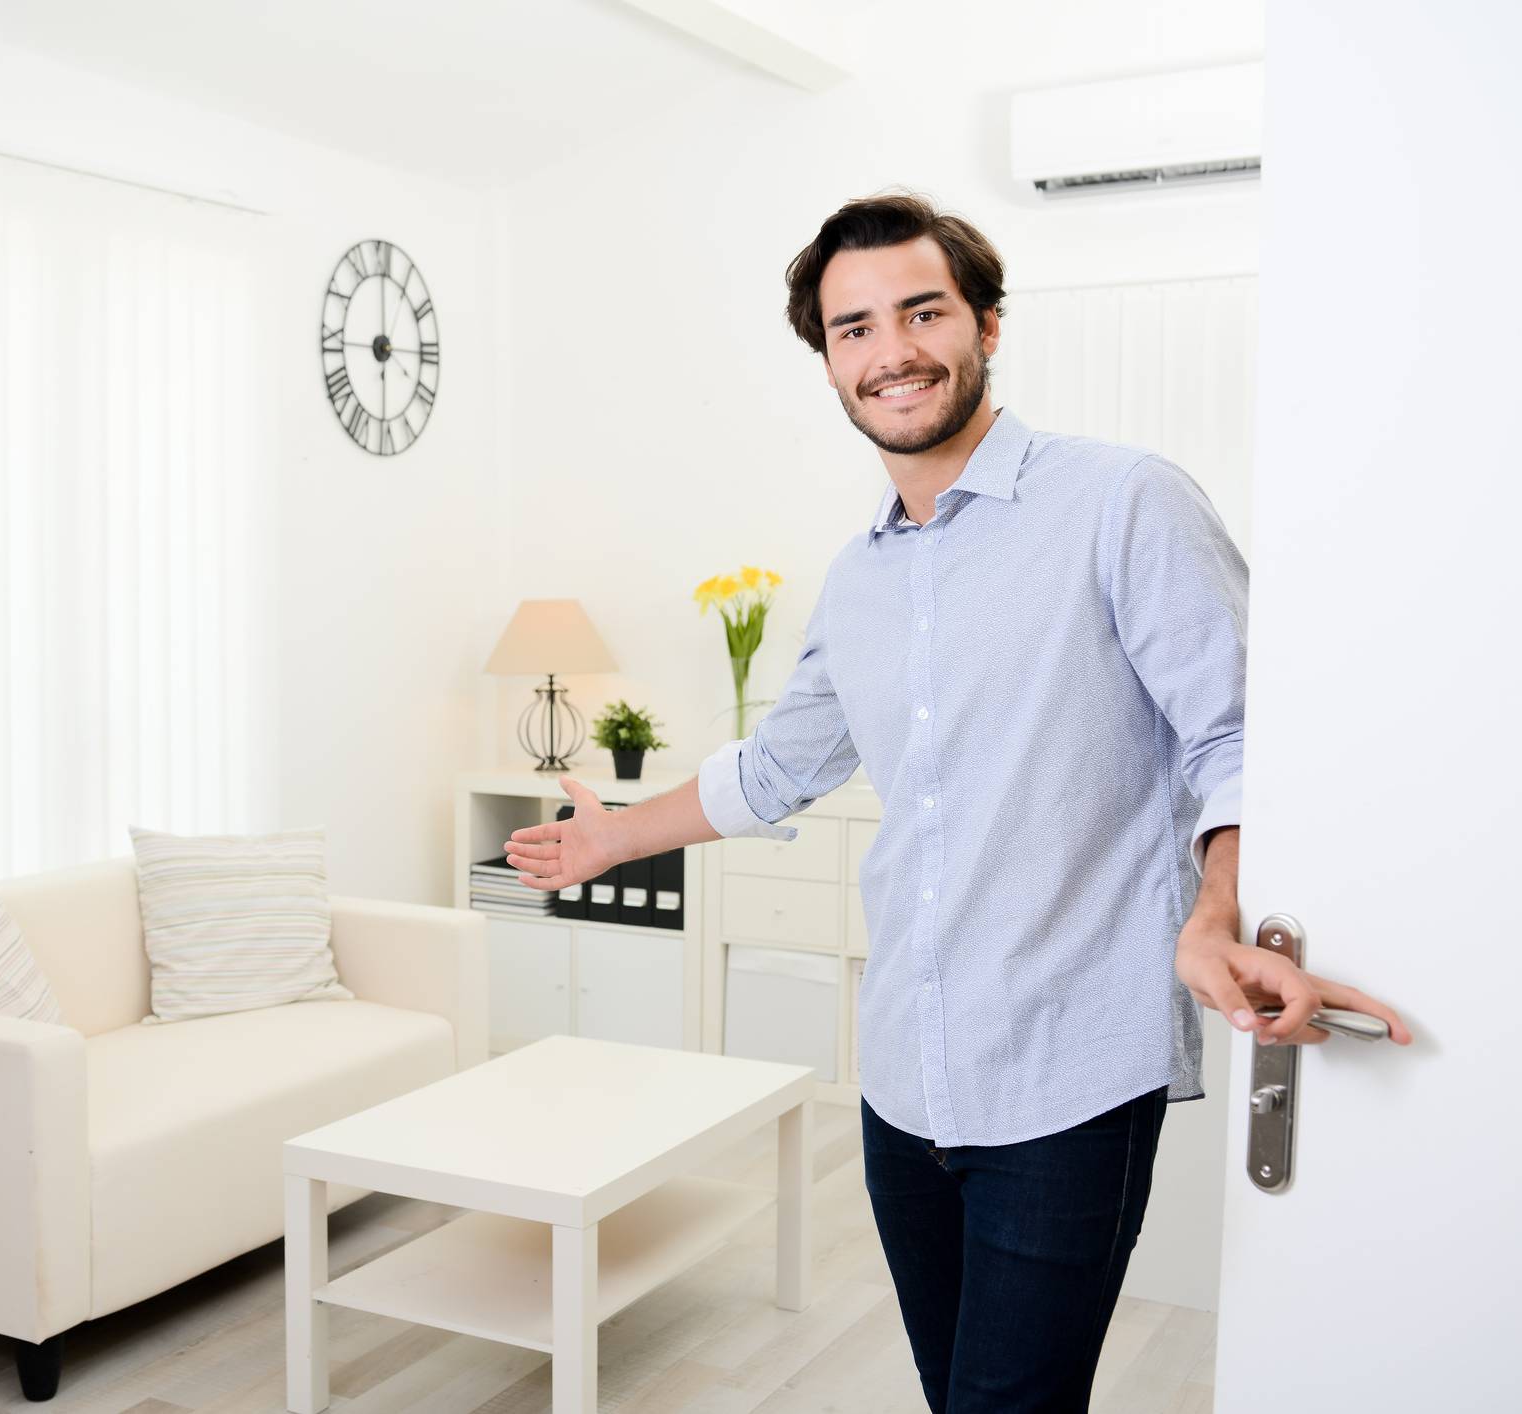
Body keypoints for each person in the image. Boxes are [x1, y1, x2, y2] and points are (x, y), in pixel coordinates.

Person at [502, 191, 1413, 1413]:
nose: (892, 352)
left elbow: (1237, 732)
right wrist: (614, 833)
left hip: (1068, 1073)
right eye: (853, 329)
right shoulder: (860, 575)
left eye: (921, 311)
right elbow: (779, 764)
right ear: (826, 361)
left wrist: (1215, 911)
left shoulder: (1121, 501)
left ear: (986, 323)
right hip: (902, 1084)